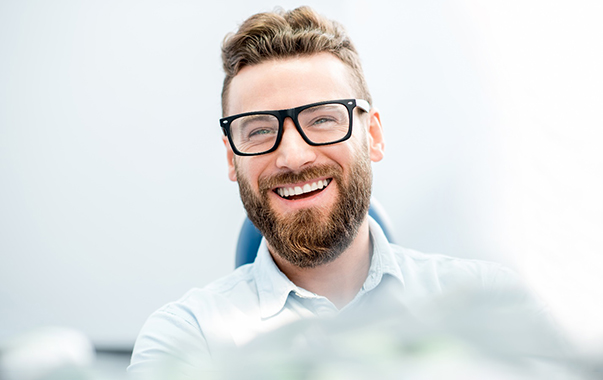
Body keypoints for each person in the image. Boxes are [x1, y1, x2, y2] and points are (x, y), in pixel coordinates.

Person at [128, 6, 565, 379]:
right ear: (231, 158)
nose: (293, 156)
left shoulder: (491, 305)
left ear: (372, 135)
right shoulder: (188, 339)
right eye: (260, 130)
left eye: (322, 119)